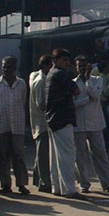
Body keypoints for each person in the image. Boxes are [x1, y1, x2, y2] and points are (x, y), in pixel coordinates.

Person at [73, 56, 109, 195]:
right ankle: (83, 183)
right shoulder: (72, 83)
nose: (82, 68)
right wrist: (86, 100)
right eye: (79, 66)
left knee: (100, 154)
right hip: (79, 124)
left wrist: (88, 79)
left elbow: (96, 95)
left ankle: (108, 183)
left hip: (95, 123)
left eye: (84, 66)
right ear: (76, 67)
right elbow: (73, 103)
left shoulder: (97, 80)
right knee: (80, 157)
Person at [0, 56, 29, 196]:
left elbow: (23, 102)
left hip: (17, 125)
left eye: (9, 66)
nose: (6, 69)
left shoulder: (22, 84)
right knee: (2, 157)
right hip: (0, 125)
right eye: (4, 66)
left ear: (15, 68)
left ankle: (21, 184)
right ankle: (5, 184)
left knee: (19, 156)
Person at [45, 48, 81, 198]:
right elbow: (77, 90)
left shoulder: (50, 74)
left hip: (53, 118)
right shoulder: (60, 74)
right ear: (56, 60)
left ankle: (57, 187)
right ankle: (69, 189)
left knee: (56, 156)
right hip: (62, 118)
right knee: (67, 155)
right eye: (64, 60)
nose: (67, 63)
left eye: (68, 60)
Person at [29, 54, 53, 193]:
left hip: (40, 122)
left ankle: (38, 179)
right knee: (43, 154)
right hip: (42, 122)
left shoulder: (35, 76)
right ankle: (44, 182)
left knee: (41, 153)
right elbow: (41, 104)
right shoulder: (40, 81)